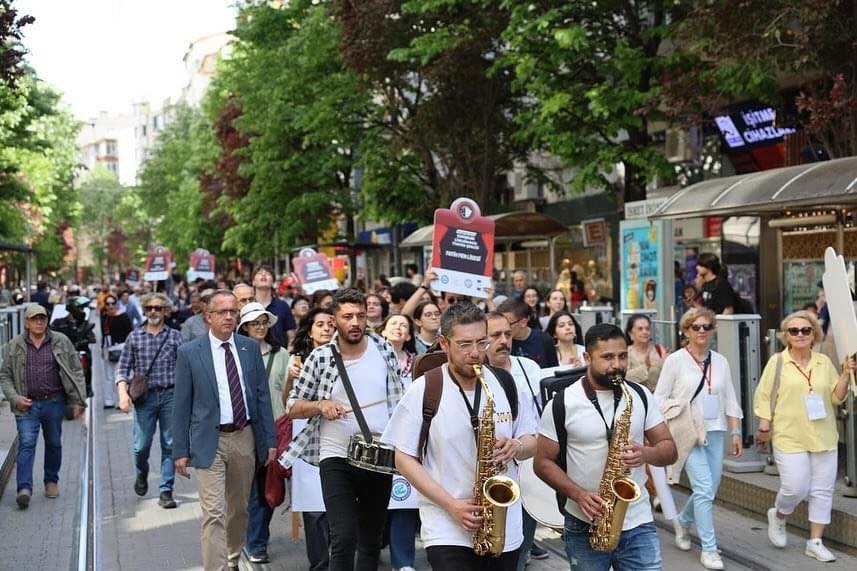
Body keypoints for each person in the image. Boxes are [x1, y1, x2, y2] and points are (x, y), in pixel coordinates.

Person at [382, 302, 539, 570]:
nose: (475, 353)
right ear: (444, 343)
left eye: (482, 342)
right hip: (446, 524)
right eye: (465, 344)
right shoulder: (425, 389)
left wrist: (516, 446)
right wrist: (452, 505)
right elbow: (403, 458)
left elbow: (532, 441)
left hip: (504, 524)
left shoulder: (504, 383)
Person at [535, 323, 677, 571]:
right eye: (607, 357)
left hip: (638, 521)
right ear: (587, 357)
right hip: (584, 520)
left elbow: (668, 449)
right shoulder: (563, 403)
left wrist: (646, 453)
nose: (617, 365)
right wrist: (578, 494)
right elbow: (542, 463)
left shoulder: (640, 396)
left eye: (622, 356)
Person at [281, 288, 404, 571]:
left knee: (371, 540)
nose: (355, 322)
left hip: (378, 455)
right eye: (347, 316)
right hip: (336, 455)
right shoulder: (321, 357)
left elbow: (398, 399)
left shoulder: (383, 348)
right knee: (344, 536)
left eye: (360, 316)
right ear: (334, 320)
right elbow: (292, 406)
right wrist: (320, 404)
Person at [172, 290, 277, 570]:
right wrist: (180, 450)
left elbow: (262, 396)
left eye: (234, 311)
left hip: (244, 438)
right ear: (208, 316)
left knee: (239, 510)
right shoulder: (190, 353)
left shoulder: (249, 348)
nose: (229, 316)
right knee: (213, 514)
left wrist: (269, 440)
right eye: (223, 312)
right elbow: (180, 405)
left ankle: (231, 557)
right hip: (209, 441)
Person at [754, 310, 856, 563]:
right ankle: (778, 515)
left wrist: (844, 374)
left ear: (814, 334)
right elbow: (764, 396)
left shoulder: (823, 362)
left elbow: (836, 397)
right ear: (786, 336)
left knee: (822, 490)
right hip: (789, 434)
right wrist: (764, 424)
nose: (800, 335)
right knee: (795, 486)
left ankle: (815, 541)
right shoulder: (778, 361)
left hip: (823, 434)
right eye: (794, 331)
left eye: (806, 330)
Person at [654, 307, 743, 570]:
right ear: (686, 331)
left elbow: (730, 398)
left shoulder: (721, 361)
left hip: (715, 430)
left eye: (706, 326)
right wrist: (680, 407)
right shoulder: (676, 361)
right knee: (704, 488)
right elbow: (658, 399)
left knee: (710, 489)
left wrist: (735, 431)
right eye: (696, 327)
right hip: (687, 431)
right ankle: (709, 549)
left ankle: (683, 519)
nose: (702, 331)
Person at [0, 304, 86, 509]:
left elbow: (75, 370)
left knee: (54, 442)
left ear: (47, 321)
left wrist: (77, 400)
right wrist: (14, 398)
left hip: (54, 402)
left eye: (42, 318)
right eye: (34, 319)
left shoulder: (60, 341)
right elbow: (5, 375)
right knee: (27, 444)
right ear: (26, 322)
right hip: (26, 404)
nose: (39, 322)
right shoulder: (14, 345)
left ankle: (51, 481)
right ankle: (24, 488)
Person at [485, 312, 548, 570]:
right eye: (495, 335)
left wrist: (520, 444)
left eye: (507, 334)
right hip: (488, 479)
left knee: (517, 551)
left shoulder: (528, 368)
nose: (504, 341)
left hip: (528, 471)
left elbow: (538, 419)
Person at [115, 292, 185, 509]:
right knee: (140, 446)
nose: (153, 311)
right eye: (149, 308)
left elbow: (185, 368)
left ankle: (166, 490)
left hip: (170, 395)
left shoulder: (175, 336)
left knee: (170, 444)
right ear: (144, 311)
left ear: (165, 311)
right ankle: (142, 472)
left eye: (158, 308)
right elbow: (123, 368)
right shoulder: (134, 337)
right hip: (144, 398)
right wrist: (123, 394)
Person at [237, 301, 290, 564]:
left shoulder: (281, 355)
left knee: (268, 487)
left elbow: (288, 392)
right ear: (244, 327)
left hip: (276, 428)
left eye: (263, 323)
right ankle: (250, 538)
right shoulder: (236, 353)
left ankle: (257, 542)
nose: (259, 327)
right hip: (244, 428)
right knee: (247, 490)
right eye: (254, 323)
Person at [287, 307, 336, 571]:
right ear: (310, 330)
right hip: (309, 443)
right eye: (320, 324)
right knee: (315, 509)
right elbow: (289, 404)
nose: (327, 328)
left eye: (331, 323)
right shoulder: (298, 361)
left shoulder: (350, 356)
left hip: (341, 441)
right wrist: (290, 376)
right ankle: (319, 564)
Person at [379, 313, 420, 571]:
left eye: (404, 325)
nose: (398, 328)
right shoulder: (370, 360)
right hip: (376, 440)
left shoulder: (418, 364)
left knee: (405, 499)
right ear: (382, 330)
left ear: (408, 335)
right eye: (393, 323)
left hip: (408, 441)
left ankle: (403, 562)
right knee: (376, 500)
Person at [50, 295, 96, 396]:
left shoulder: (85, 324)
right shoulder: (58, 323)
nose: (82, 311)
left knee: (86, 359)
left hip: (80, 354)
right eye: (80, 308)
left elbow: (92, 338)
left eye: (83, 309)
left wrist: (83, 341)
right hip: (63, 356)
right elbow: (50, 336)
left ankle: (87, 387)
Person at [498, 298, 558, 368]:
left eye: (508, 324)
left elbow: (553, 370)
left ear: (523, 322)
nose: (504, 328)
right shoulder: (501, 342)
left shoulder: (544, 339)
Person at [100, 293, 134, 409]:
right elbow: (103, 334)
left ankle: (122, 400)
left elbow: (130, 333)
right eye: (108, 304)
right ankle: (109, 401)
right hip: (108, 349)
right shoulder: (104, 317)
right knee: (108, 376)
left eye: (112, 303)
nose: (110, 306)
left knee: (120, 375)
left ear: (116, 304)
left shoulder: (123, 316)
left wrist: (129, 349)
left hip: (121, 348)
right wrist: (102, 348)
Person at [253, 265, 297, 347]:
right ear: (253, 282)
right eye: (259, 273)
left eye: (268, 274)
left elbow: (291, 335)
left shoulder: (283, 306)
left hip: (278, 354)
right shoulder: (249, 306)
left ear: (273, 282)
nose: (263, 275)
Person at [625, 314, 667, 392]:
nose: (645, 332)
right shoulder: (626, 353)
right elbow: (625, 378)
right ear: (630, 333)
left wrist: (669, 363)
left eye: (647, 329)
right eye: (640, 329)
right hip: (637, 398)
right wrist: (646, 367)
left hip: (658, 399)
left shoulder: (659, 350)